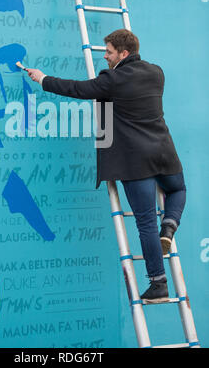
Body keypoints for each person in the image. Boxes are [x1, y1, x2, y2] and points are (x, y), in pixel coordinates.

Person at [27, 28, 186, 302]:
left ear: (123, 54)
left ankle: (159, 284)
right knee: (178, 190)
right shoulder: (156, 73)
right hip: (164, 153)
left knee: (146, 222)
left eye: (109, 52)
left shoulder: (112, 80)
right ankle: (170, 226)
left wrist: (43, 79)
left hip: (135, 162)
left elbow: (77, 89)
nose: (105, 57)